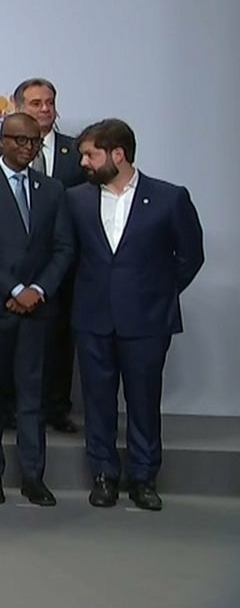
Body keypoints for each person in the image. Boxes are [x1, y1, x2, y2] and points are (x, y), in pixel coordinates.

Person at [68, 118, 203, 511]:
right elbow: (68, 254)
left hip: (146, 321)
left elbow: (190, 256)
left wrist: (157, 292)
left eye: (90, 155)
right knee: (98, 402)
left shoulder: (169, 198)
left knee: (144, 401)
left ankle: (144, 477)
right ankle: (104, 476)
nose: (84, 164)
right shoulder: (76, 200)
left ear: (118, 155)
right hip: (92, 319)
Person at [0, 111, 74, 507]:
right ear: (2, 140)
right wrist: (14, 288)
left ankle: (32, 476)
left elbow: (63, 248)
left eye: (34, 142)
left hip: (38, 309)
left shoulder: (53, 189)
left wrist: (37, 289)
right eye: (19, 140)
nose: (27, 148)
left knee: (33, 396)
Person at [0, 77, 85, 434]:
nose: (45, 109)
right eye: (36, 103)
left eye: (49, 102)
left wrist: (41, 285)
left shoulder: (76, 151)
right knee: (10, 353)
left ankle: (56, 407)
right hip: (8, 278)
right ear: (19, 106)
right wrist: (15, 286)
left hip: (57, 271)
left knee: (57, 344)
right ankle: (10, 409)